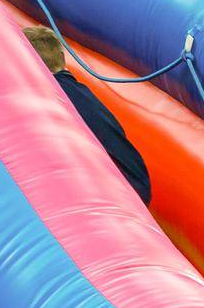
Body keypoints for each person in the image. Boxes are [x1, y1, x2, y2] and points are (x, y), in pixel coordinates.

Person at [23, 26, 152, 205]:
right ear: (61, 58)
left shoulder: (57, 98)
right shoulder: (78, 91)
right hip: (135, 184)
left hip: (122, 193)